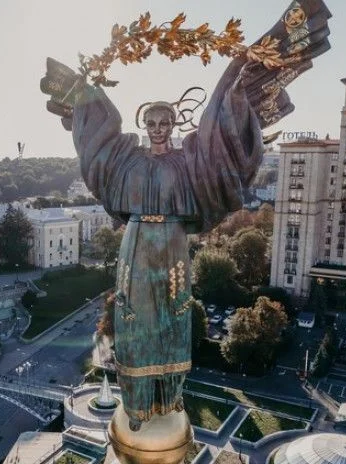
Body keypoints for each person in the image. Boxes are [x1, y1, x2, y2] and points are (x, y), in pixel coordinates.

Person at [41, 0, 331, 431]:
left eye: (164, 123)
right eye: (151, 122)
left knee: (173, 316)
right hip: (137, 245)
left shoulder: (189, 163)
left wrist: (239, 79)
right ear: (144, 124)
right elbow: (98, 140)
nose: (158, 129)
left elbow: (221, 139)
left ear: (172, 125)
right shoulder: (126, 161)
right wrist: (85, 92)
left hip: (173, 245)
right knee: (135, 318)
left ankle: (168, 399)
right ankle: (137, 404)